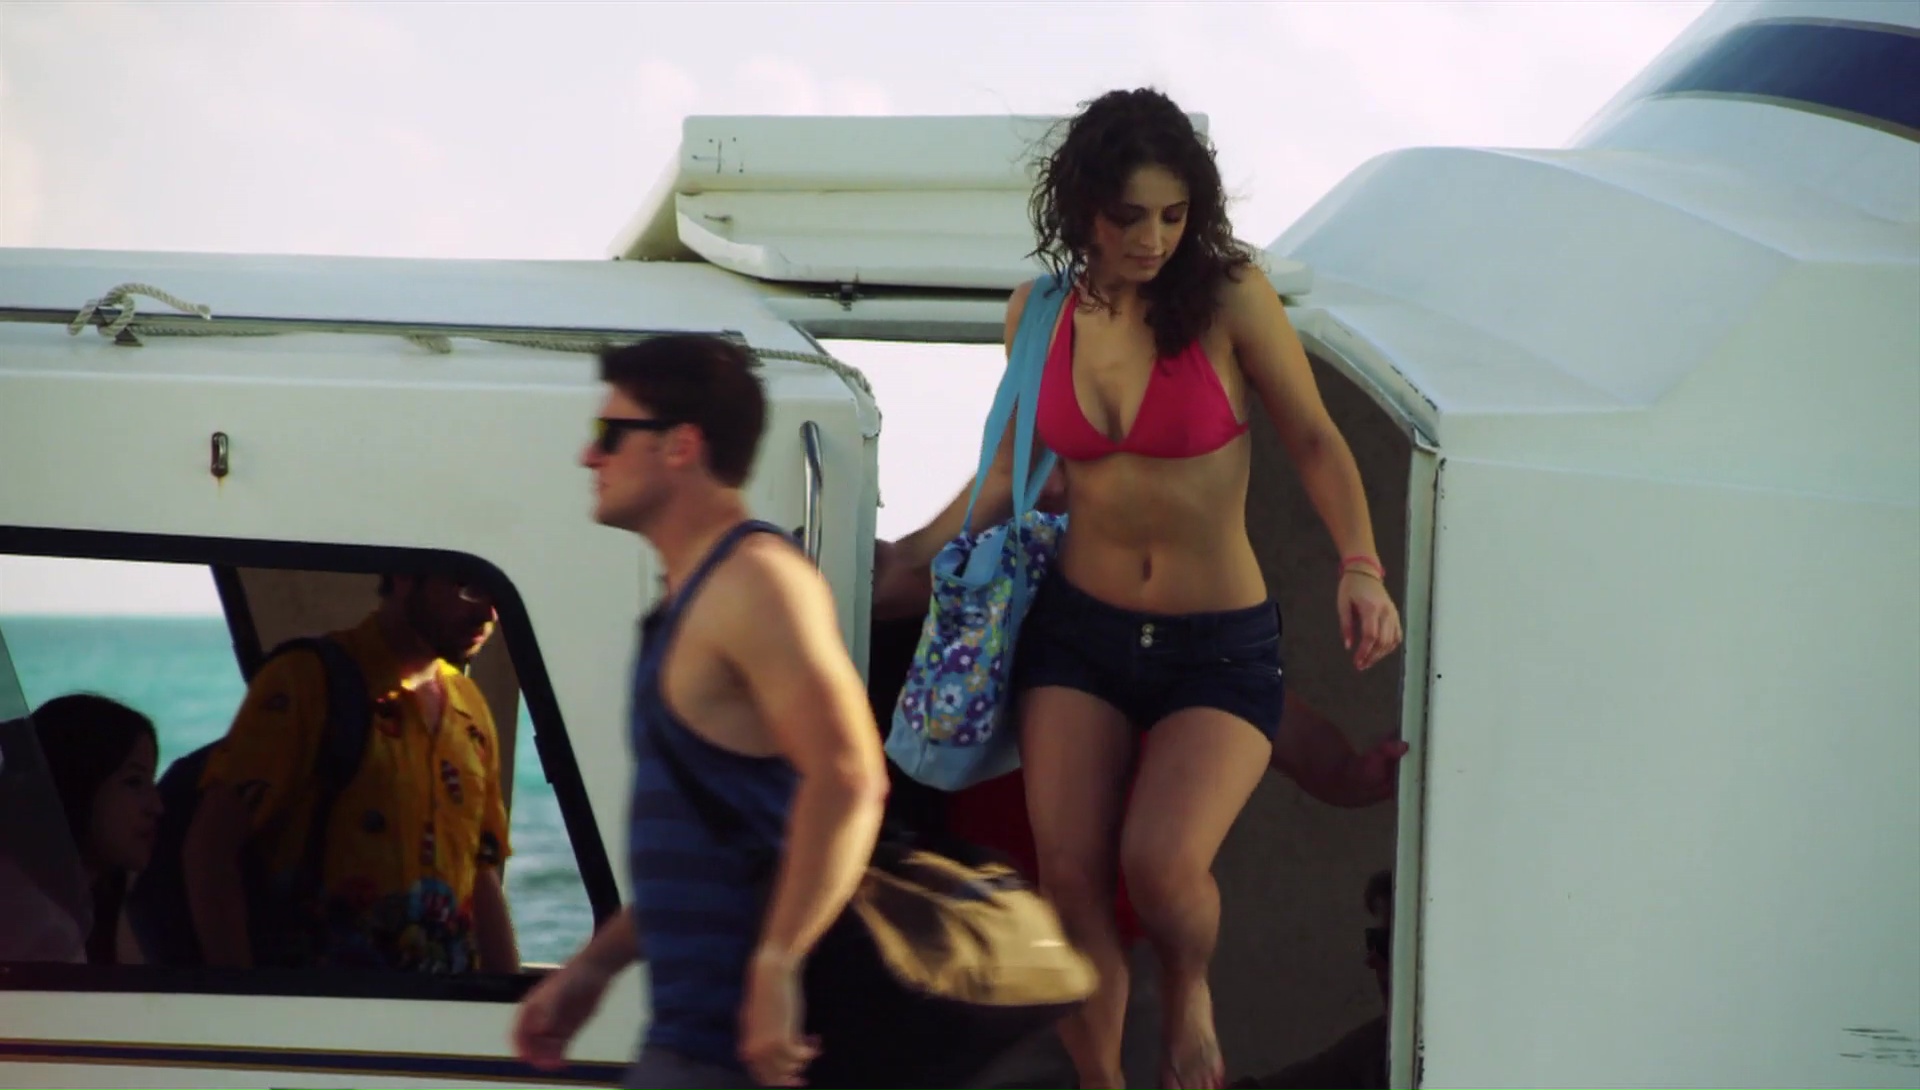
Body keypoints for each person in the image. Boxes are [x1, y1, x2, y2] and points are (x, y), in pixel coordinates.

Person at [874, 88, 1405, 1090]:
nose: (1154, 239)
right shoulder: (1038, 315)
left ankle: (1189, 988)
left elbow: (1313, 437)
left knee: (1162, 865)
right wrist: (901, 561)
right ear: (1082, 206)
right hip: (1081, 634)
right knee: (1070, 879)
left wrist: (1361, 566)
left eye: (1172, 214)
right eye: (1129, 217)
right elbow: (1009, 476)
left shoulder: (1231, 296)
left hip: (1219, 641)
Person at [511, 334, 891, 1090]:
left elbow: (849, 779)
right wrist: (593, 967)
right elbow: (720, 834)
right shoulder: (686, 599)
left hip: (738, 1054)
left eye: (609, 432)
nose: (589, 456)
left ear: (681, 445)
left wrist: (777, 964)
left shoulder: (756, 583)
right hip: (690, 1038)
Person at [182, 574, 520, 973]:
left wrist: (508, 995)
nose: (489, 613)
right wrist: (241, 995)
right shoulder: (306, 681)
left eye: (497, 594)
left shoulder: (470, 709)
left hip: (438, 1005)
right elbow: (211, 848)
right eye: (470, 587)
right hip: (320, 1000)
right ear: (404, 577)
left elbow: (480, 872)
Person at [9, 694, 164, 964]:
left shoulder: (82, 907)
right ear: (77, 782)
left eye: (151, 781)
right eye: (133, 782)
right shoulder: (36, 929)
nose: (157, 806)